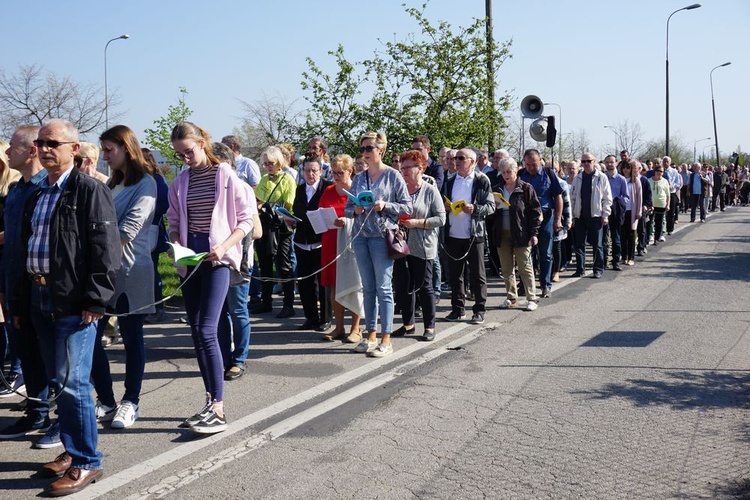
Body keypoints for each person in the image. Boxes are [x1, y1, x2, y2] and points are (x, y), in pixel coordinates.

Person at [9, 119, 120, 496]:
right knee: (59, 382)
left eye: (52, 142)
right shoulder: (40, 192)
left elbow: (106, 250)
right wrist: (22, 302)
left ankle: (87, 461)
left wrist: (95, 299)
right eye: (40, 142)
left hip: (74, 303)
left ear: (74, 148)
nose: (43, 148)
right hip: (40, 298)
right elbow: (28, 249)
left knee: (73, 384)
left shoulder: (88, 190)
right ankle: (73, 453)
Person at [167, 121, 253, 434]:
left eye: (188, 151)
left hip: (219, 258)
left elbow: (245, 221)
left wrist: (225, 247)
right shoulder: (180, 181)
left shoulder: (225, 175)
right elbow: (174, 220)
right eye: (180, 155)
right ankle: (209, 401)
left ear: (203, 142)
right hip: (192, 259)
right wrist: (175, 243)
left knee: (207, 329)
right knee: (196, 330)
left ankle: (218, 406)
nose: (185, 158)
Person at [90, 125, 157, 430]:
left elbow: (127, 231)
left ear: (126, 148)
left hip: (131, 272)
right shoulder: (112, 183)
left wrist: (89, 244)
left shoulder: (146, 183)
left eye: (109, 150)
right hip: (104, 273)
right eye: (103, 150)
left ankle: (131, 401)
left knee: (132, 339)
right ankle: (105, 401)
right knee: (89, 338)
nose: (104, 156)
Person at [0, 127, 52, 447]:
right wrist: (5, 285)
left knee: (46, 352)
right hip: (14, 282)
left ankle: (50, 411)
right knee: (24, 349)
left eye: (13, 148)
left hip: (40, 285)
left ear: (31, 151)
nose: (7, 153)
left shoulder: (45, 190)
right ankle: (36, 408)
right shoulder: (18, 190)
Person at [344, 132, 411, 358]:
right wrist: (355, 210)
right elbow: (346, 208)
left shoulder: (393, 176)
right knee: (368, 288)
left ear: (380, 151)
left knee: (383, 288)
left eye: (369, 148)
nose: (365, 153)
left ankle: (386, 338)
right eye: (362, 149)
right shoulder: (360, 178)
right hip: (361, 236)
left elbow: (407, 207)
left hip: (382, 237)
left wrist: (386, 205)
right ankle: (370, 335)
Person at [212, 142, 261, 382]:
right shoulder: (208, 186)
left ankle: (239, 359)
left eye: (217, 164)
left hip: (238, 260)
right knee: (219, 312)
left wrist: (230, 243)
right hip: (214, 259)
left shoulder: (242, 188)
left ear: (230, 165)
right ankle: (223, 356)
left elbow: (255, 229)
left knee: (237, 309)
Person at [392, 150, 445, 341]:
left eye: (408, 167)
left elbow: (441, 218)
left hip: (423, 246)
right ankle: (408, 324)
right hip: (400, 245)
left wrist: (418, 223)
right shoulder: (400, 189)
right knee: (403, 286)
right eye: (402, 167)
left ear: (420, 168)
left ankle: (429, 327)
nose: (403, 170)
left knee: (425, 287)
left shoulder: (429, 190)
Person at [442, 148, 495, 324]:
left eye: (461, 158)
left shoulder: (481, 180)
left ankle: (479, 309)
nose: (456, 161)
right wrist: (445, 207)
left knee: (477, 274)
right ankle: (457, 308)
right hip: (453, 234)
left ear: (472, 161)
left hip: (474, 234)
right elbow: (441, 203)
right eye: (455, 158)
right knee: (456, 275)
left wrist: (475, 209)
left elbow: (491, 206)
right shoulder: (449, 181)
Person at [318, 154, 363, 343]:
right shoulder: (328, 190)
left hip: (350, 244)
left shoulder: (357, 191)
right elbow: (320, 212)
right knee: (334, 287)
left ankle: (356, 328)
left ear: (350, 171)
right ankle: (338, 327)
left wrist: (347, 220)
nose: (336, 176)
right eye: (334, 172)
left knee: (353, 285)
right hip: (330, 242)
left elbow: (363, 217)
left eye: (340, 172)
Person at [491, 157, 542, 311]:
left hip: (521, 233)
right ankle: (511, 297)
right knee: (506, 268)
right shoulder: (497, 188)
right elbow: (490, 214)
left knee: (525, 267)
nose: (506, 175)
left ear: (516, 171)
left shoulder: (525, 188)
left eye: (509, 171)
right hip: (502, 232)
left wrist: (534, 233)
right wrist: (493, 207)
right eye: (503, 172)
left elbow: (535, 212)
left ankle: (531, 297)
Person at [253, 146, 296, 317]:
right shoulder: (264, 179)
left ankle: (288, 304)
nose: (268, 167)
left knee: (284, 264)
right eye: (265, 164)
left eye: (271, 163)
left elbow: (288, 203)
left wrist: (267, 205)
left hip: (281, 226)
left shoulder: (287, 179)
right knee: (264, 263)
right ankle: (266, 302)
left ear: (279, 162)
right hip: (265, 225)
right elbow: (258, 200)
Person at [291, 157, 333, 331]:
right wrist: (290, 220)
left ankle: (325, 319)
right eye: (307, 170)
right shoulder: (300, 189)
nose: (310, 174)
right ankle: (310, 317)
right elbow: (297, 210)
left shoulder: (327, 187)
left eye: (314, 170)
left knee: (322, 283)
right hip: (302, 242)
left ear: (321, 171)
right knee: (305, 282)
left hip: (321, 241)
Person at [519, 149, 563, 297]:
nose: (531, 167)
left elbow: (558, 197)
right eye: (528, 164)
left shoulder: (549, 174)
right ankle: (525, 285)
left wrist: (558, 219)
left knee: (545, 253)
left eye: (534, 164)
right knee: (525, 253)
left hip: (546, 218)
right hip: (525, 219)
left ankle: (545, 285)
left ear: (540, 161)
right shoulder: (521, 175)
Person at [0, 141, 22, 398]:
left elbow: (15, 228)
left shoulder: (14, 187)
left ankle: (17, 370)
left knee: (11, 314)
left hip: (9, 258)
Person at [570, 152, 612, 279]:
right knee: (579, 244)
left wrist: (605, 214)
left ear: (594, 161)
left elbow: (607, 198)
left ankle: (597, 269)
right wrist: (572, 216)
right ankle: (580, 269)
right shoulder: (578, 178)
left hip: (596, 215)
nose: (586, 164)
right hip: (580, 216)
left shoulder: (601, 177)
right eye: (583, 162)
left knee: (597, 244)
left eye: (589, 161)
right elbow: (572, 198)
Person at [142, 149, 170, 324]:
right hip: (139, 233)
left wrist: (147, 215)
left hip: (152, 232)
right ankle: (145, 307)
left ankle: (157, 308)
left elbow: (164, 203)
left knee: (151, 272)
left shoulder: (157, 179)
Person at [603, 155, 628, 271]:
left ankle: (616, 261)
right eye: (607, 162)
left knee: (616, 237)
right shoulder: (602, 178)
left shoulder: (621, 179)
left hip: (616, 211)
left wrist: (617, 201)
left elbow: (626, 197)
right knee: (603, 238)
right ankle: (603, 261)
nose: (609, 164)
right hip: (603, 210)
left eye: (611, 162)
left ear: (616, 163)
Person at [620, 160, 643, 266]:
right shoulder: (620, 179)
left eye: (628, 167)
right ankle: (624, 256)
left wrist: (639, 211)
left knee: (631, 234)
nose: (626, 169)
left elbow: (639, 197)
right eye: (624, 167)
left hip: (631, 211)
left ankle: (631, 257)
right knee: (622, 235)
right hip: (621, 211)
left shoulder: (636, 181)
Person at [649, 165, 671, 242]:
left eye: (661, 171)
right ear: (654, 171)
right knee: (650, 221)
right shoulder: (649, 181)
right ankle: (651, 235)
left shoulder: (665, 181)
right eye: (657, 171)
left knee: (659, 222)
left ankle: (657, 237)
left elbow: (668, 195)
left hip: (661, 204)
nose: (659, 172)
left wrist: (667, 205)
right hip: (651, 204)